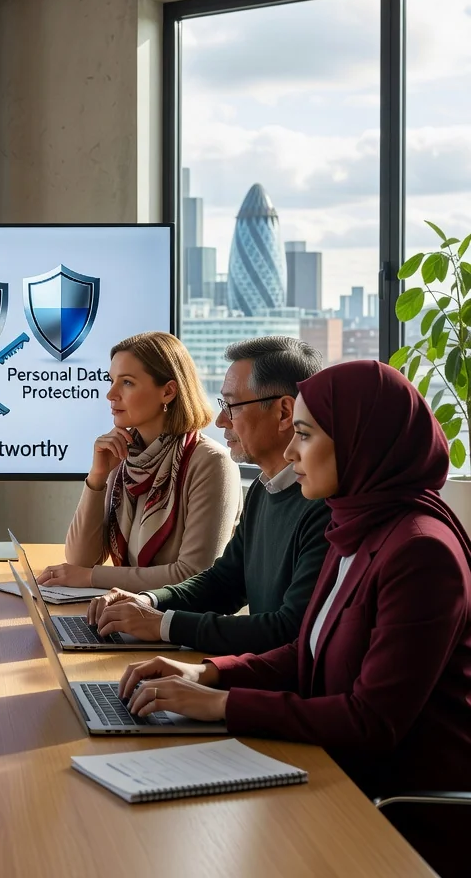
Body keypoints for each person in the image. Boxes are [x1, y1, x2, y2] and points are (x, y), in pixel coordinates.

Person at [119, 360, 471, 878]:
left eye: (303, 435)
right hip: (331, 772)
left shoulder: (421, 551)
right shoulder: (357, 523)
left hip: (392, 813)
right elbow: (306, 650)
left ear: (360, 440)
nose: (289, 452)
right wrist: (207, 673)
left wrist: (223, 705)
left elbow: (370, 722)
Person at [86, 336, 330, 655]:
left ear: (285, 412)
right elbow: (223, 583)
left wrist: (163, 625)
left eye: (232, 405)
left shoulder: (325, 508)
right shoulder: (263, 489)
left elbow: (288, 630)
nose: (220, 420)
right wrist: (147, 601)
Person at [38, 331, 240, 591]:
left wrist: (91, 579)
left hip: (177, 626)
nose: (111, 394)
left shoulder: (211, 463)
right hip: (126, 613)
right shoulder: (124, 458)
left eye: (127, 383)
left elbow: (193, 575)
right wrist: (97, 478)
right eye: (111, 381)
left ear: (167, 392)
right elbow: (80, 560)